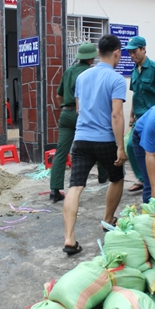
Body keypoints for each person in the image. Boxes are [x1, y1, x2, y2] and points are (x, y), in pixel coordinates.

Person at [62, 34, 127, 255]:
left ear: (98, 53)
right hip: (105, 140)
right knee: (117, 177)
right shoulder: (117, 80)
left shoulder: (82, 77)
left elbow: (79, 109)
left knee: (75, 187)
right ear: (117, 52)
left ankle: (69, 238)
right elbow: (116, 115)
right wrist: (120, 146)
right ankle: (107, 219)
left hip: (81, 139)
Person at [50, 42, 108, 203]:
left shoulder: (68, 72)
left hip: (66, 113)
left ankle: (55, 189)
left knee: (61, 151)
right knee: (98, 141)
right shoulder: (91, 73)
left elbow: (58, 95)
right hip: (84, 114)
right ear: (92, 58)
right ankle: (103, 175)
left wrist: (64, 106)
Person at [123, 36, 155, 192]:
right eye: (129, 53)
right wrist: (131, 115)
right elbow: (135, 94)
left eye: (134, 51)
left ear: (143, 49)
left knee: (154, 150)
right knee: (130, 147)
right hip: (139, 117)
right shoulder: (134, 71)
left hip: (154, 116)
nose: (132, 55)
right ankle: (143, 178)